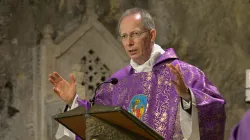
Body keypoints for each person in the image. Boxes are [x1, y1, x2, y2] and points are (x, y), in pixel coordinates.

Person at [49, 8, 226, 140]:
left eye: (135, 34)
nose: (129, 42)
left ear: (152, 35)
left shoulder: (184, 73)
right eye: (124, 36)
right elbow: (96, 122)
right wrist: (73, 102)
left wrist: (187, 97)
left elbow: (214, 110)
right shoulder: (115, 83)